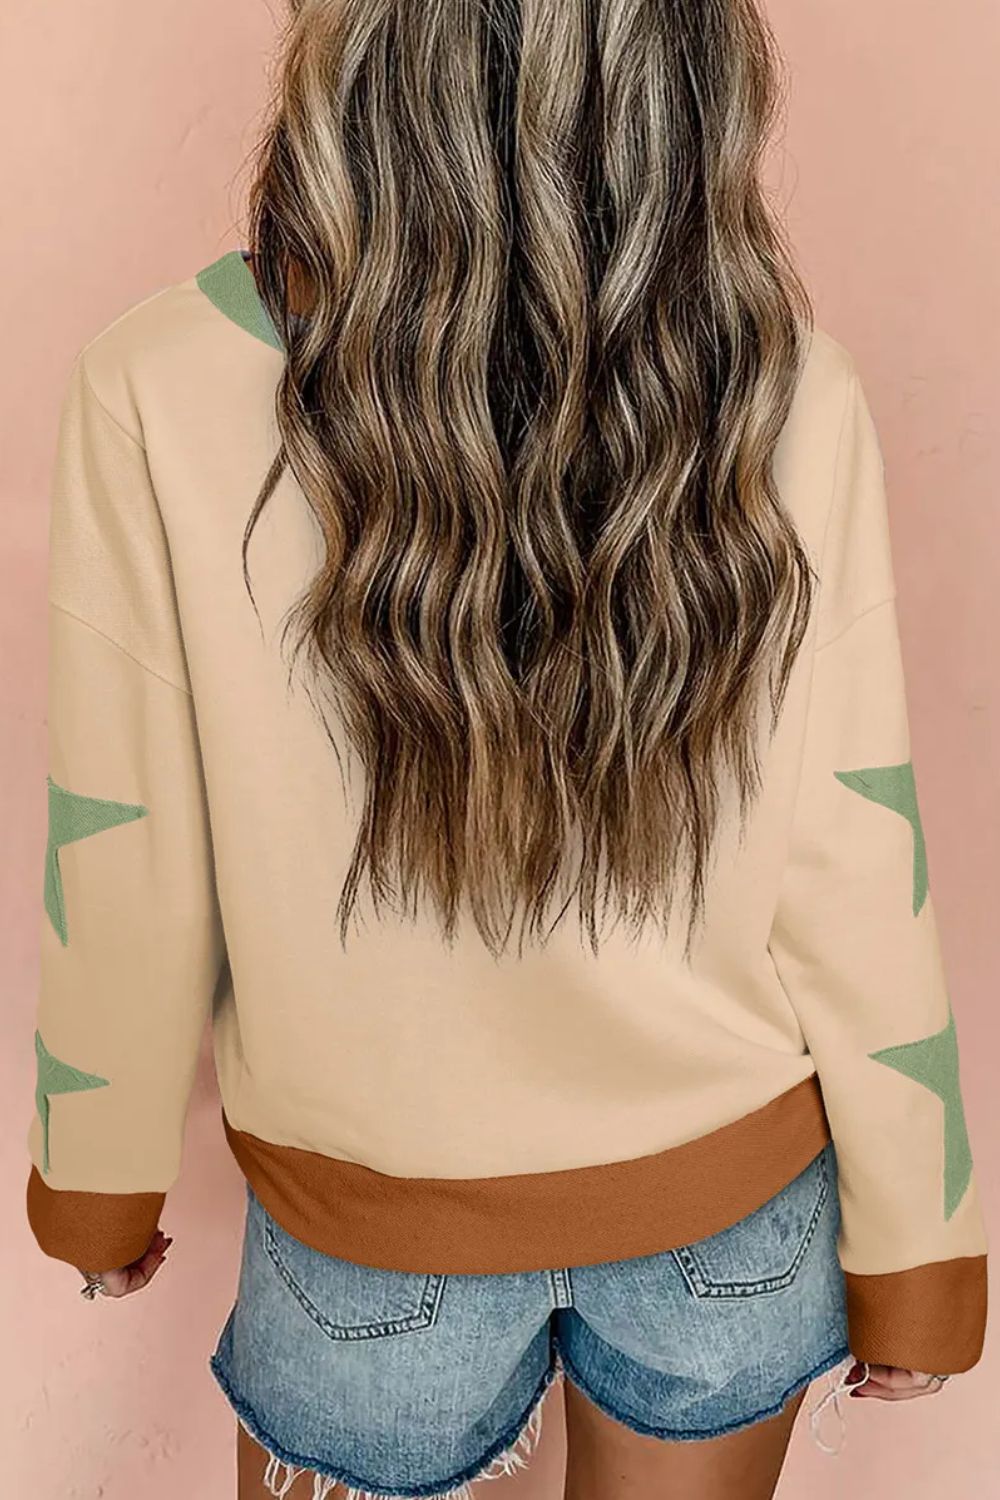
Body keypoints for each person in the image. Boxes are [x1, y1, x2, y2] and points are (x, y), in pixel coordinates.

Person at [26, 0, 987, 1496]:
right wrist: (921, 1250)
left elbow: (128, 850)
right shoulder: (788, 386)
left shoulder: (153, 383)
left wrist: (97, 1182)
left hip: (369, 1238)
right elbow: (855, 852)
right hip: (734, 1226)